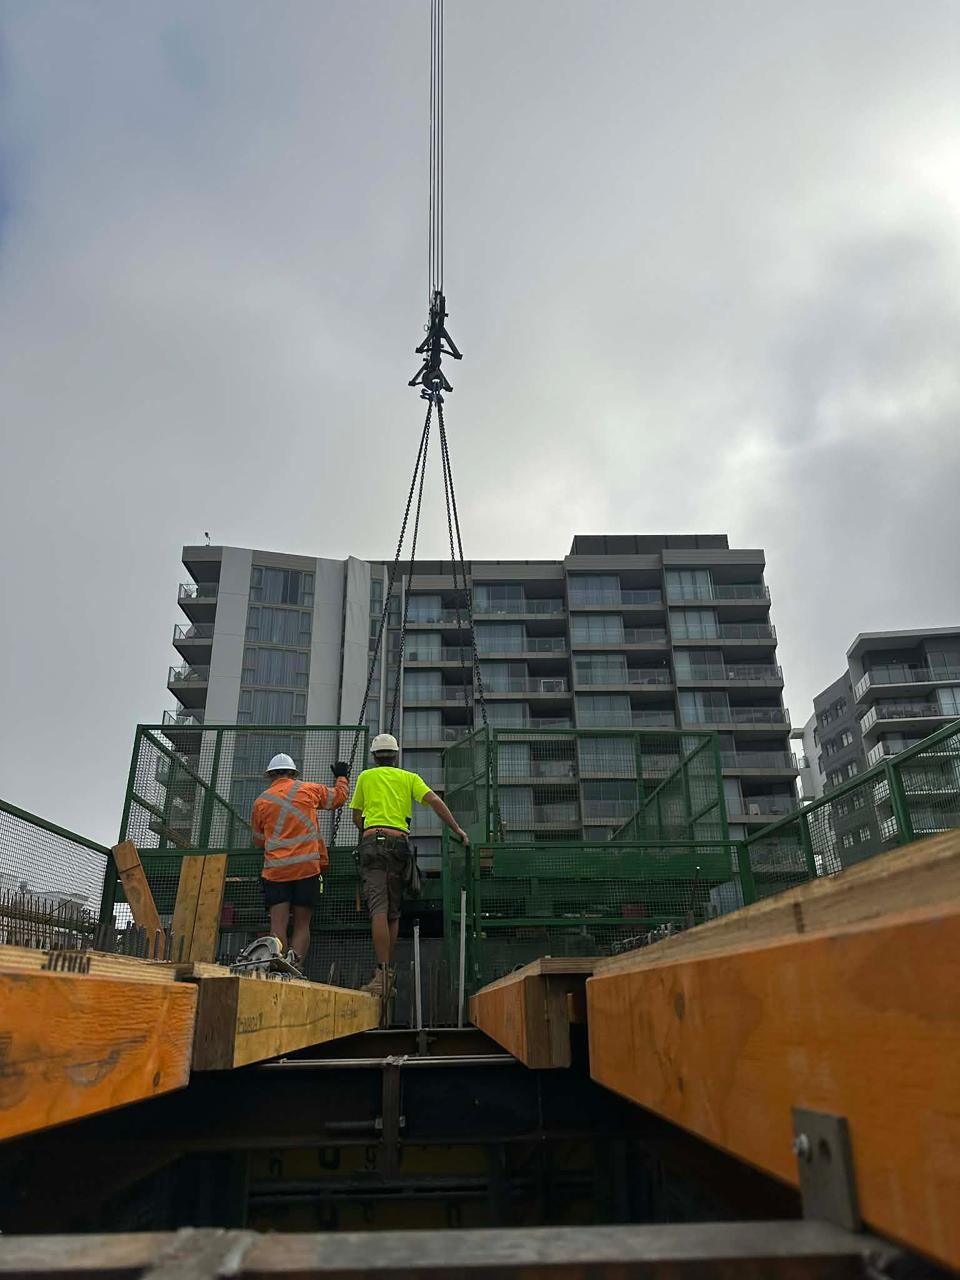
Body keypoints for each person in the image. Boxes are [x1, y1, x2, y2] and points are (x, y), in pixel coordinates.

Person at [350, 732, 469, 997]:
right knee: (393, 913)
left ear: (374, 756)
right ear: (396, 755)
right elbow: (435, 801)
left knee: (378, 909)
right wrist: (457, 829)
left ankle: (381, 975)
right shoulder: (409, 778)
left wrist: (370, 830)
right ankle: (386, 975)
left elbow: (357, 817)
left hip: (372, 844)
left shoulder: (365, 777)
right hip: (399, 845)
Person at [251, 752, 350, 970]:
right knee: (302, 924)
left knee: (278, 925)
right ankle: (294, 969)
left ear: (270, 776)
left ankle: (276, 968)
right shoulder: (309, 790)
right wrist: (342, 777)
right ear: (294, 773)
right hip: (307, 869)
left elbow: (258, 841)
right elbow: (338, 798)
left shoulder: (261, 802)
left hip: (276, 872)